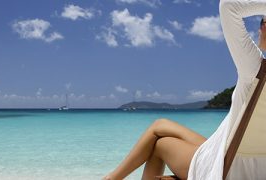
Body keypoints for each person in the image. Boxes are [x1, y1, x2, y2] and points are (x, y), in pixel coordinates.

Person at [103, 0, 266, 179]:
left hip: (226, 167)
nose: (259, 30)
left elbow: (228, 5)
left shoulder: (255, 69)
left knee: (160, 144)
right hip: (254, 164)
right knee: (160, 125)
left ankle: (111, 178)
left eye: (262, 23)